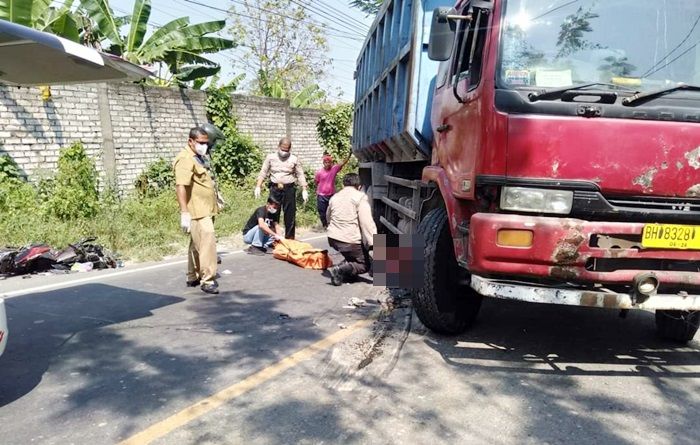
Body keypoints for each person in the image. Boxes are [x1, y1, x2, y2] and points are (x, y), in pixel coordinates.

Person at [174, 127, 220, 295]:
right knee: (207, 239)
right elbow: (181, 186)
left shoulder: (198, 157)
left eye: (206, 143)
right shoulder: (185, 159)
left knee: (196, 243)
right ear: (190, 141)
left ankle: (192, 275)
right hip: (197, 210)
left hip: (206, 207)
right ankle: (207, 279)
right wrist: (184, 211)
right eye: (200, 143)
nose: (204, 146)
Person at [326, 173, 377, 286]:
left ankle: (348, 270)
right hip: (348, 241)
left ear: (343, 184)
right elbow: (366, 223)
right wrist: (374, 244)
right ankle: (340, 270)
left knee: (354, 257)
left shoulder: (335, 197)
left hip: (333, 238)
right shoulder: (360, 197)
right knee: (365, 265)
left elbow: (328, 217)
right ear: (359, 186)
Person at [255, 137, 308, 240]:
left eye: (286, 150)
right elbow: (263, 172)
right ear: (278, 146)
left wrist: (304, 189)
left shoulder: (294, 159)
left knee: (290, 215)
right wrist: (258, 186)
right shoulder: (270, 157)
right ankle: (272, 238)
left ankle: (289, 239)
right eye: (282, 149)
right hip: (275, 188)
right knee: (272, 213)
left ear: (290, 149)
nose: (284, 152)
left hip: (289, 189)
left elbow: (300, 174)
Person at [314, 152, 351, 228]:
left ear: (331, 163)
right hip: (321, 195)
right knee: (322, 211)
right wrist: (316, 192)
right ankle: (325, 225)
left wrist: (349, 155)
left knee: (333, 210)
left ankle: (333, 224)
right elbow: (316, 182)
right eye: (325, 162)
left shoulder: (334, 169)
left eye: (329, 162)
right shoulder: (319, 172)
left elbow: (342, 163)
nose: (327, 164)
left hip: (331, 194)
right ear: (323, 163)